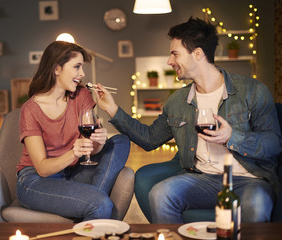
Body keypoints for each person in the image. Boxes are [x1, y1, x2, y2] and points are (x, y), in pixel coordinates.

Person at [95, 17, 282, 223]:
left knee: (256, 203)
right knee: (160, 194)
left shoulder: (252, 91)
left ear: (198, 53)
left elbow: (273, 144)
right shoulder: (178, 101)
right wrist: (112, 109)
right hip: (203, 179)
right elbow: (149, 139)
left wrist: (232, 136)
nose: (169, 61)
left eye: (175, 53)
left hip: (249, 180)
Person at [16, 41, 130, 221]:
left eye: (82, 67)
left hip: (72, 171)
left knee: (120, 141)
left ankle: (91, 202)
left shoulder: (81, 94)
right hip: (36, 180)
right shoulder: (30, 110)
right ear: (57, 69)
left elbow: (91, 150)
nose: (82, 74)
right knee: (100, 204)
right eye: (77, 67)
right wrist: (73, 153)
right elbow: (43, 169)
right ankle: (94, 203)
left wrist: (98, 142)